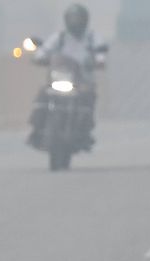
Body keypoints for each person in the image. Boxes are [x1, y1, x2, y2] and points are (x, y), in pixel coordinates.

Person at [27, 3, 108, 150]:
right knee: (42, 95)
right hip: (60, 77)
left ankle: (85, 131)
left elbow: (100, 53)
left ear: (85, 20)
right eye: (72, 18)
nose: (75, 22)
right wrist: (39, 57)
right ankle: (36, 130)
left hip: (83, 80)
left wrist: (98, 61)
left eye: (78, 18)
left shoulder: (92, 37)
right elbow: (45, 50)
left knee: (88, 99)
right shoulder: (60, 37)